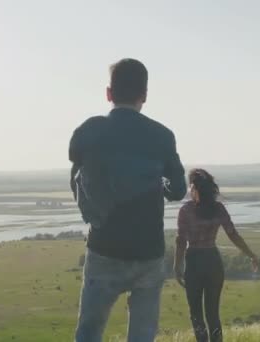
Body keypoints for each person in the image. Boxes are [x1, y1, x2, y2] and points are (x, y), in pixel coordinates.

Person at [70, 58, 187, 342]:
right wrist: (155, 181)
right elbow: (178, 190)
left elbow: (77, 168)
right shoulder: (162, 136)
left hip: (103, 247)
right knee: (142, 336)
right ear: (144, 96)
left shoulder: (89, 130)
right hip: (148, 250)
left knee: (89, 332)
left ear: (108, 93)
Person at [174, 169, 258, 342]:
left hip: (194, 261)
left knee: (196, 315)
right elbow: (233, 234)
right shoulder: (218, 208)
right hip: (213, 261)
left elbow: (181, 240)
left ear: (194, 188)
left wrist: (177, 266)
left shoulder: (186, 210)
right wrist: (251, 255)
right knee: (213, 314)